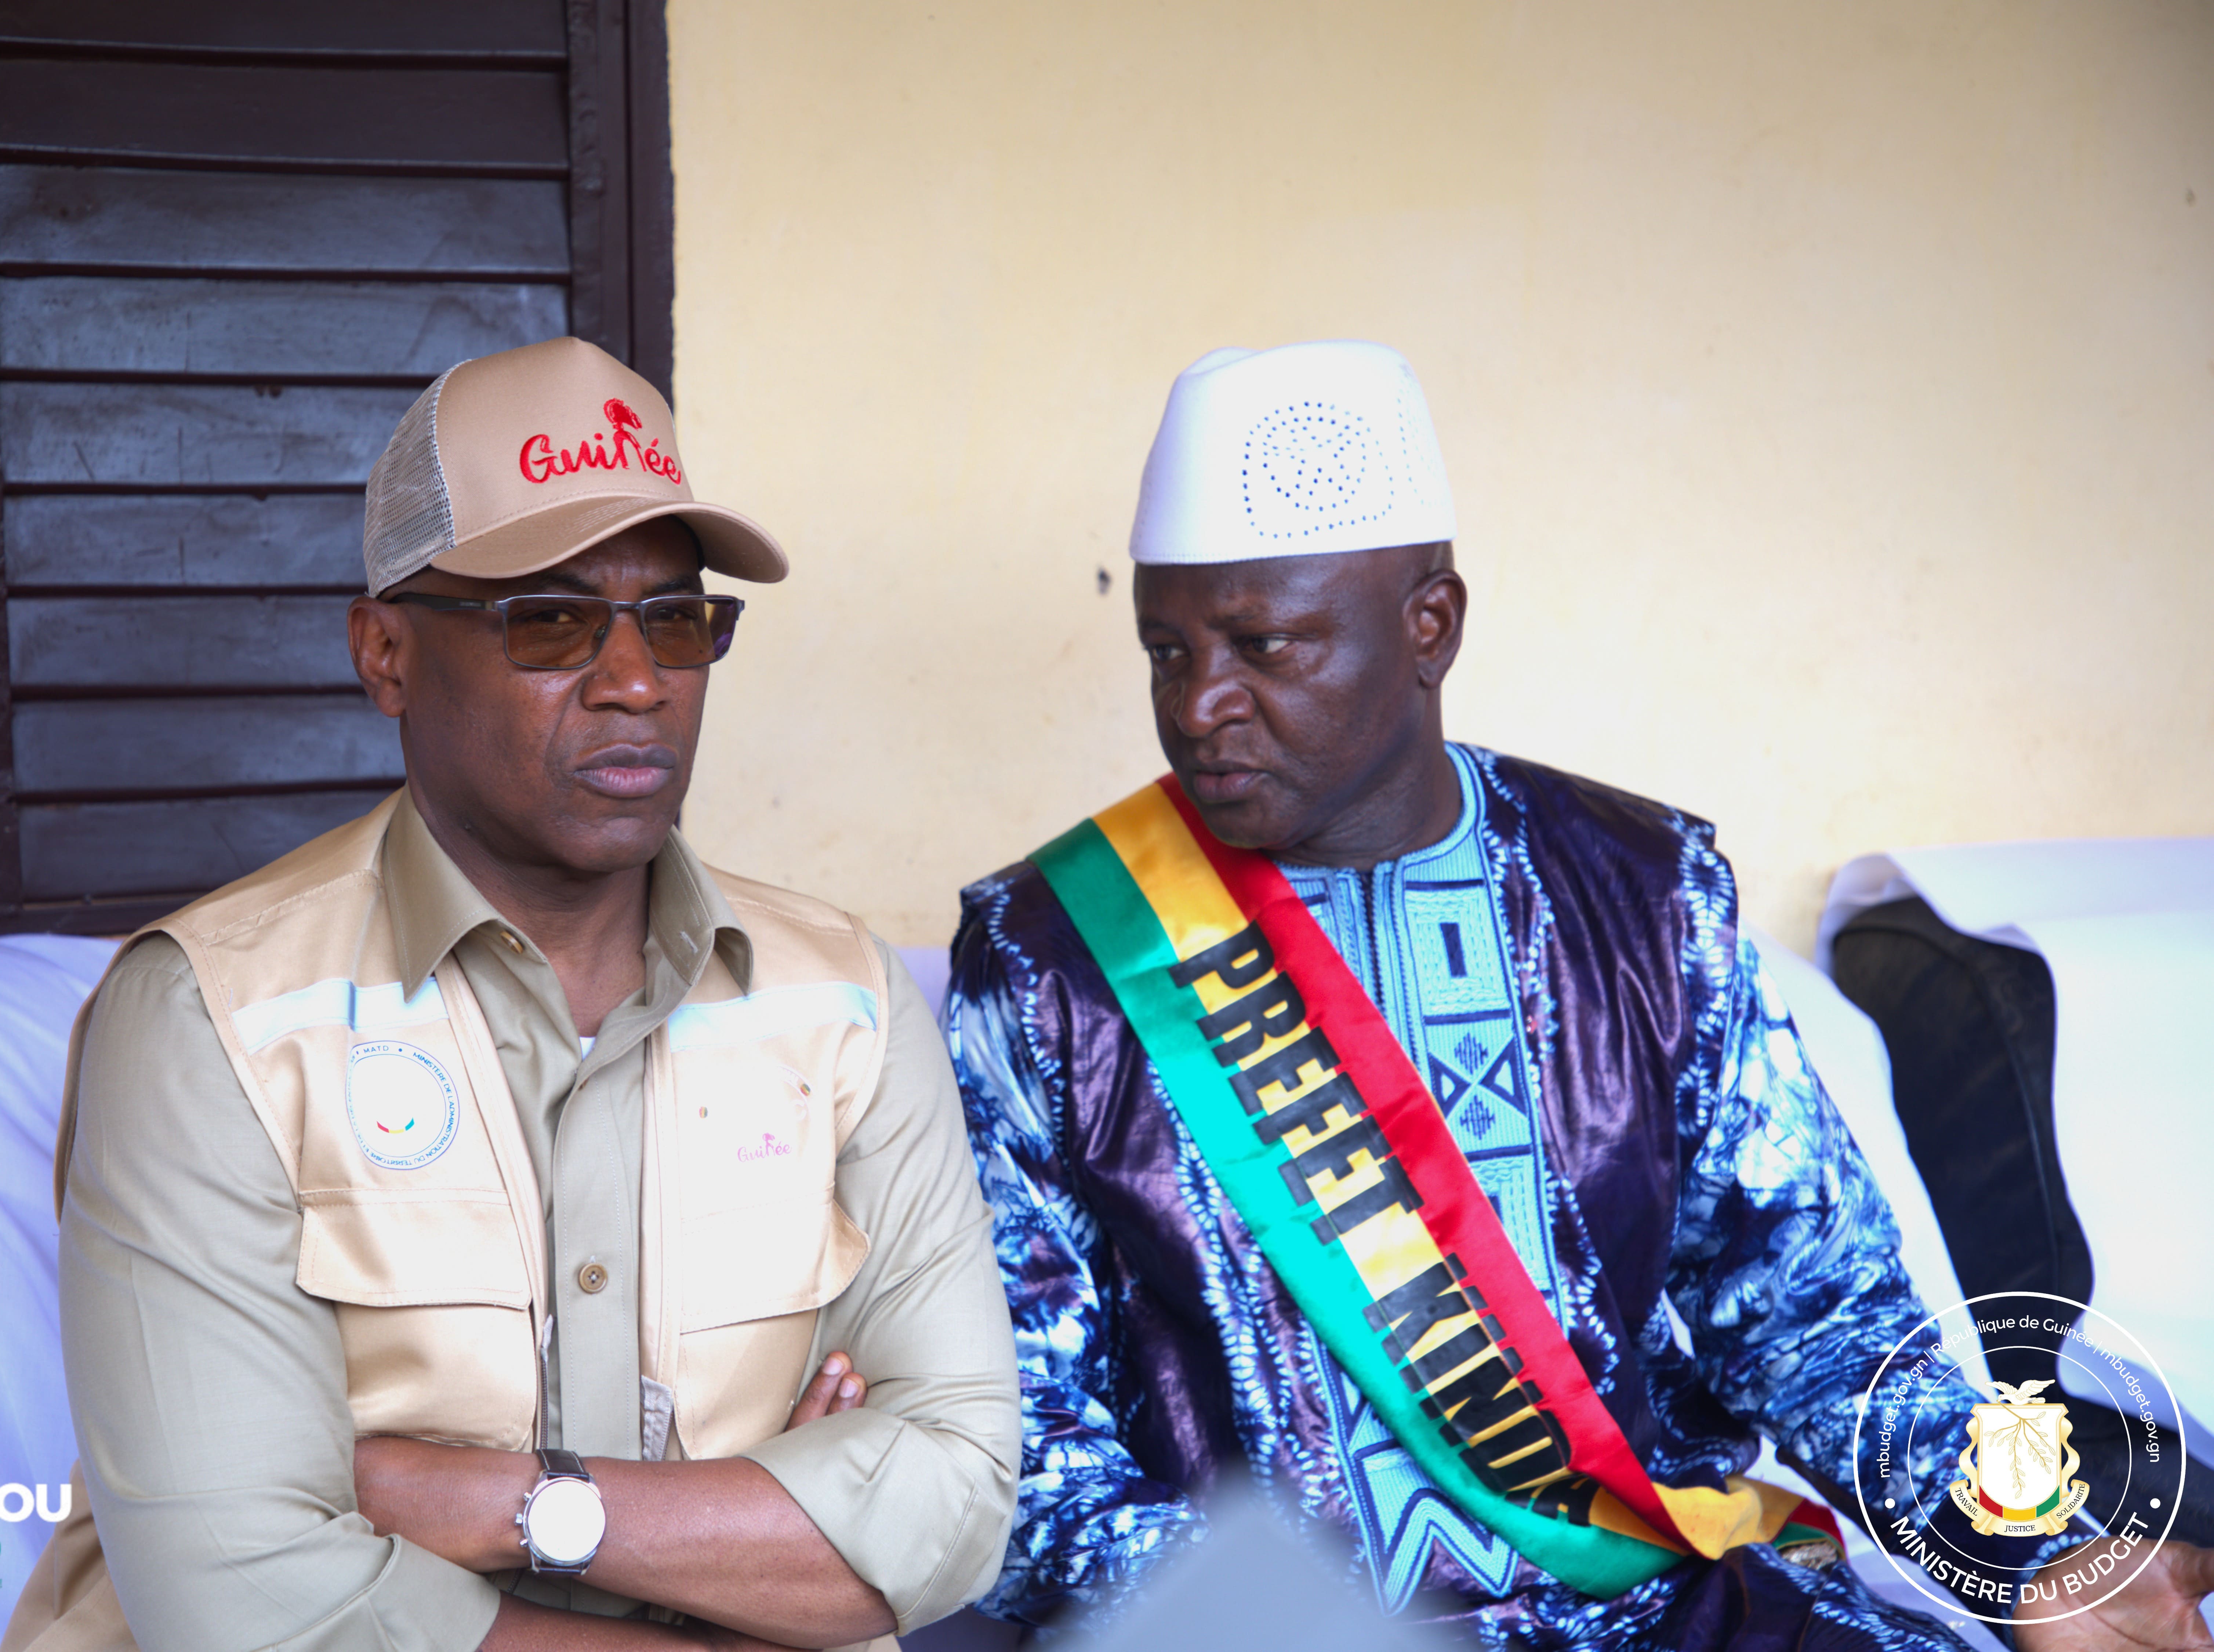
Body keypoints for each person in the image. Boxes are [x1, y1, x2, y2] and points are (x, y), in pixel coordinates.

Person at [947, 340, 2213, 1648]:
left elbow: (1824, 1329)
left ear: (1430, 626)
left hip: (1662, 1611)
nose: (1201, 703)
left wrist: (2042, 1556)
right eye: (1167, 651)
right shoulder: (1047, 959)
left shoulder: (1649, 897)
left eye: (1263, 647)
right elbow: (1022, 1458)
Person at [3, 337, 1017, 1652]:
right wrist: (755, 1568)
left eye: (677, 620)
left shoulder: (844, 1001)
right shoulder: (213, 1019)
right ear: (386, 653)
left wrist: (499, 1505)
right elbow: (245, 1604)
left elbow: (957, 1504)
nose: (637, 682)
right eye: (549, 619)